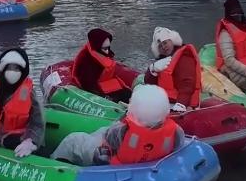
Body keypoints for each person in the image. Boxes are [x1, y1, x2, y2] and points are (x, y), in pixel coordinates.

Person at [50, 84, 184, 165]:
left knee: (73, 140)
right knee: (102, 130)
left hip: (108, 160)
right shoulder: (177, 132)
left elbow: (107, 144)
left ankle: (53, 167)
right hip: (150, 158)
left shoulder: (121, 131)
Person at [143, 27, 200, 111]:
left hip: (182, 105)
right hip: (166, 102)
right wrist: (152, 70)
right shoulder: (161, 61)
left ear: (172, 40)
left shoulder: (184, 57)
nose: (164, 47)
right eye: (160, 46)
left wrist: (181, 104)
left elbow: (187, 83)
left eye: (165, 43)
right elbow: (149, 84)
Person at [214, 0, 246, 92]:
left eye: (239, 13)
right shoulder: (225, 34)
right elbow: (229, 60)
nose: (238, 16)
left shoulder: (243, 29)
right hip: (231, 70)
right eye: (234, 14)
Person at [70, 28, 132, 103]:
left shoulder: (102, 53)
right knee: (115, 100)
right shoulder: (87, 61)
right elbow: (88, 84)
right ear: (97, 46)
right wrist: (102, 97)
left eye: (108, 48)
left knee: (127, 94)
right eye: (105, 48)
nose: (108, 52)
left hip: (107, 84)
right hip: (98, 89)